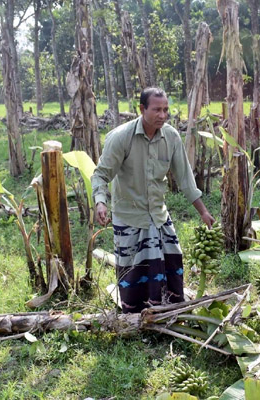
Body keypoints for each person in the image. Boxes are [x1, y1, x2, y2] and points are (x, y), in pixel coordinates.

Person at [92, 87, 215, 313]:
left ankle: (167, 310)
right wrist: (100, 202)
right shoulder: (121, 138)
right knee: (132, 271)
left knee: (172, 260)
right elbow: (101, 174)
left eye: (166, 110)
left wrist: (203, 212)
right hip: (129, 214)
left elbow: (186, 179)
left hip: (158, 213)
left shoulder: (171, 137)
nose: (162, 115)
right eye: (157, 109)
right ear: (142, 109)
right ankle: (134, 315)